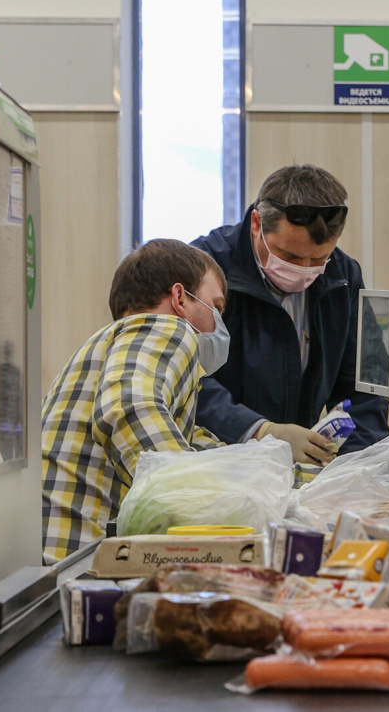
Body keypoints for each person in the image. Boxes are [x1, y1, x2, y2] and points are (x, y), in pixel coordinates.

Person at [41, 239, 229, 563]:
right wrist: (204, 506)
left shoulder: (107, 347)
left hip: (48, 558)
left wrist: (289, 474)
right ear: (180, 298)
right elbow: (129, 406)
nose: (220, 326)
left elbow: (195, 448)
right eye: (217, 307)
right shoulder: (168, 327)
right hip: (79, 561)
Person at [192, 164, 389, 463]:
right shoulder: (203, 270)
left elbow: (363, 387)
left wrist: (356, 465)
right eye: (290, 257)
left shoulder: (343, 275)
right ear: (256, 223)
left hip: (293, 467)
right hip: (214, 458)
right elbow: (184, 377)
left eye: (319, 258)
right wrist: (257, 430)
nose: (305, 270)